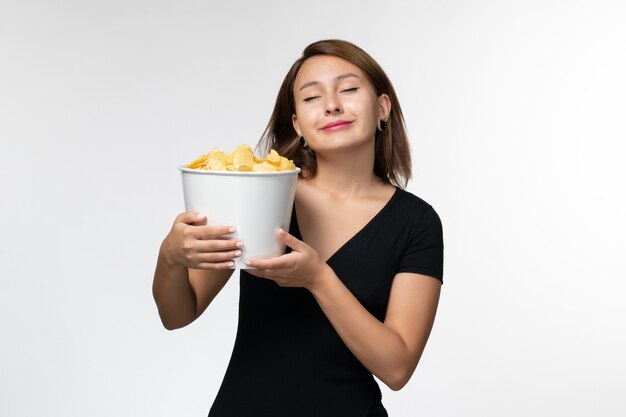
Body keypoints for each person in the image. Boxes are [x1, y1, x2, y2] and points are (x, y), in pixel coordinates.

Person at [153, 39, 444, 417]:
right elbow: (178, 314)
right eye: (311, 98)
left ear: (383, 108)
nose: (331, 105)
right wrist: (170, 257)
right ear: (298, 125)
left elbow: (397, 366)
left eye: (349, 89)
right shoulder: (261, 192)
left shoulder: (416, 223)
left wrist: (318, 279)